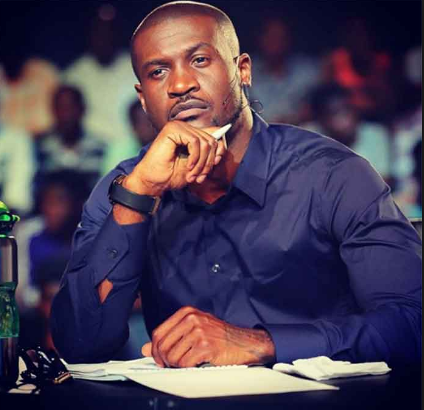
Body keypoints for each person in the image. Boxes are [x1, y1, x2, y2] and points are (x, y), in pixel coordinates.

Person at [51, 1, 421, 367]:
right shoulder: (127, 188)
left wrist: (264, 344)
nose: (180, 84)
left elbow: (412, 322)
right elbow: (79, 345)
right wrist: (139, 195)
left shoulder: (332, 175)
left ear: (242, 70)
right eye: (158, 72)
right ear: (143, 98)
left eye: (199, 60)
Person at [302, 83, 391, 184]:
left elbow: (383, 182)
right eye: (335, 114)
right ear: (321, 120)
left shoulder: (375, 134)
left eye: (348, 110)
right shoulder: (307, 138)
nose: (346, 120)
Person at [34, 84, 106, 193]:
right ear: (53, 110)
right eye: (61, 108)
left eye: (71, 107)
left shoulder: (100, 148)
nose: (66, 114)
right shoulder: (40, 148)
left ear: (82, 109)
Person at [102, 99, 156, 175]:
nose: (149, 127)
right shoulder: (120, 151)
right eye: (142, 123)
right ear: (133, 126)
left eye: (151, 121)